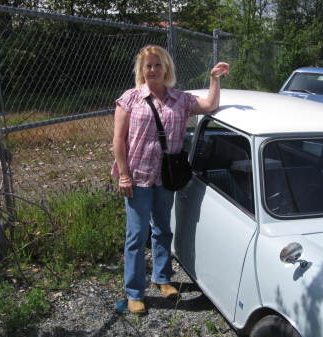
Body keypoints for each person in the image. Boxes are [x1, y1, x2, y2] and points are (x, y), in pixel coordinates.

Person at [112, 45, 229, 314]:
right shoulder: (130, 99)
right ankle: (134, 291)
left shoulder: (181, 99)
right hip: (138, 178)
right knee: (137, 235)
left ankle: (162, 278)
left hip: (167, 177)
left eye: (158, 65)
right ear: (141, 71)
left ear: (167, 69)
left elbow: (210, 105)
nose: (153, 70)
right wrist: (124, 175)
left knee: (163, 229)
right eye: (148, 66)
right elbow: (118, 140)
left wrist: (214, 78)